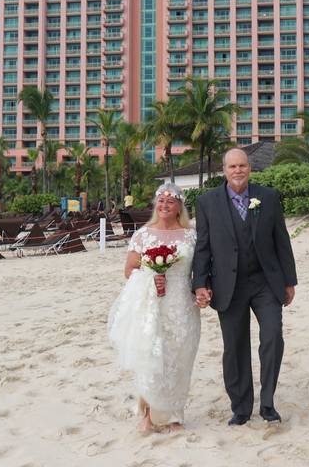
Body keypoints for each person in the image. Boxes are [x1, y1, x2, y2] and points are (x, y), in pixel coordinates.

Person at [192, 148, 297, 425]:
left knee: (273, 336)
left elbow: (281, 241)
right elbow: (202, 247)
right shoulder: (207, 202)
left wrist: (289, 280)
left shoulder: (269, 197)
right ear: (224, 170)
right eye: (232, 166)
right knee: (235, 347)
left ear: (250, 168)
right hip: (229, 285)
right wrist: (200, 283)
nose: (238, 171)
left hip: (265, 282)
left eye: (242, 165)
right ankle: (240, 408)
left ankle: (268, 402)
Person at [108, 183, 201, 432]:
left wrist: (203, 290)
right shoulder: (143, 234)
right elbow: (129, 270)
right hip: (151, 304)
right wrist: (151, 278)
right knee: (151, 356)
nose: (164, 205)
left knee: (179, 358)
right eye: (161, 201)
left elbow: (202, 270)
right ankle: (148, 414)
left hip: (182, 304)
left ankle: (174, 416)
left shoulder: (192, 235)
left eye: (170, 201)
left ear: (179, 206)